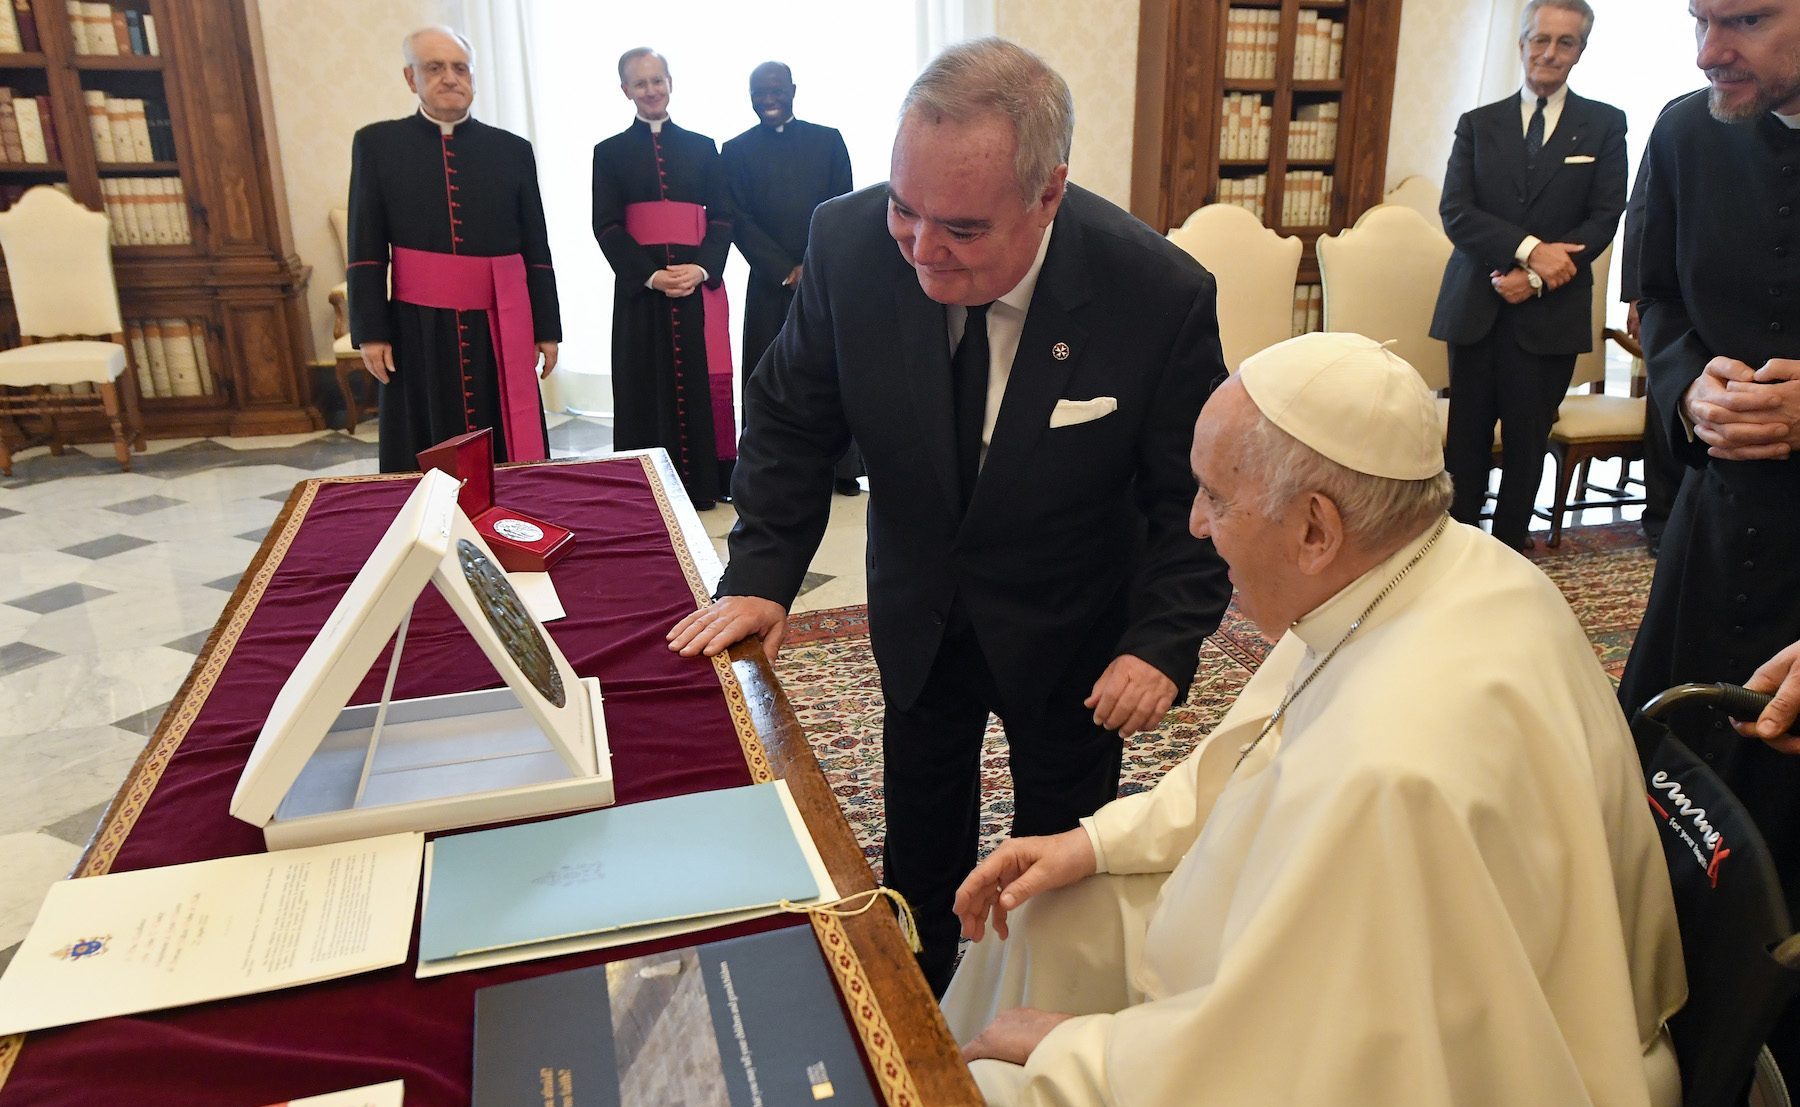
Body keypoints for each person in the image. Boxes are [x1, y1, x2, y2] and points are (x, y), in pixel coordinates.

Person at [942, 332, 1685, 1107]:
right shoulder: (1433, 567)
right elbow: (1256, 752)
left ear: (1315, 529)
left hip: (1474, 1064)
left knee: (1003, 1086)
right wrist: (1092, 842)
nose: (1196, 523)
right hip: (1351, 965)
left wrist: (1076, 1047)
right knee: (1044, 912)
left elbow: (1294, 1061)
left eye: (1217, 498)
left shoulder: (1391, 766)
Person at [667, 38, 1231, 995]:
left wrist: (1161, 642)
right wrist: (763, 571)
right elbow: (791, 419)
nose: (922, 248)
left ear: (1048, 194)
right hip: (920, 601)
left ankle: (1037, 1007)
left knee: (1055, 850)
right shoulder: (848, 244)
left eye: (963, 229)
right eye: (904, 208)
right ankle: (921, 999)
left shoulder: (1155, 293)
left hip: (1072, 626)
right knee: (922, 826)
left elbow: (1195, 496)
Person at [1616, 0, 1800, 919]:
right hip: (1713, 523)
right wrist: (1688, 388)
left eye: (1746, 21)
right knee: (1658, 799)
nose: (1707, 53)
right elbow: (1657, 299)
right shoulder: (1686, 130)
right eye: (1697, 20)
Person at [1429, 0, 1627, 550]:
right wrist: (1530, 251)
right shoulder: (1477, 124)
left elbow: (1606, 216)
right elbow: (1457, 212)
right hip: (1476, 308)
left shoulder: (1606, 124)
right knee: (1465, 447)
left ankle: (1510, 554)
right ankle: (1455, 553)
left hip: (1550, 316)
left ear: (1580, 51)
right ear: (1521, 44)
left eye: (1565, 42)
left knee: (1525, 446)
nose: (1549, 52)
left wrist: (1539, 277)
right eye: (1540, 39)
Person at [348, 25, 561, 474]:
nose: (450, 78)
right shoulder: (377, 145)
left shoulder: (512, 150)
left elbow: (536, 247)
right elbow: (366, 245)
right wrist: (371, 330)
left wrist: (546, 327)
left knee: (506, 440)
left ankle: (512, 517)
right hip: (416, 324)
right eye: (435, 67)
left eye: (460, 68)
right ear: (412, 79)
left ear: (473, 77)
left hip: (498, 323)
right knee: (423, 436)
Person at [593, 48, 735, 509]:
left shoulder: (702, 147)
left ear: (670, 82)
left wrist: (702, 267)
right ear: (625, 91)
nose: (651, 90)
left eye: (658, 80)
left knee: (698, 384)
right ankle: (645, 486)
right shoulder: (609, 153)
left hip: (696, 289)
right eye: (640, 83)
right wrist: (651, 276)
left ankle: (704, 485)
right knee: (643, 385)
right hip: (642, 293)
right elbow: (607, 225)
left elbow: (723, 218)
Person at [720, 61, 864, 496]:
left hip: (823, 277)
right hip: (769, 282)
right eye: (758, 92)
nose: (768, 98)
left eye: (775, 89)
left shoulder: (828, 140)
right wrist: (784, 269)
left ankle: (841, 468)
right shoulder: (736, 150)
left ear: (792, 89)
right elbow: (738, 219)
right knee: (767, 376)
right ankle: (770, 466)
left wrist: (812, 264)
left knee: (832, 370)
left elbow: (843, 206)